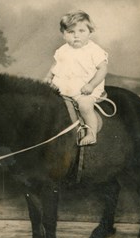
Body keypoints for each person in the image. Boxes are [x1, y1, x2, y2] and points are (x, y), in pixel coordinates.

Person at [45, 10, 108, 146]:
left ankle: (91, 133)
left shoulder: (94, 50)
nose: (76, 36)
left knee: (85, 105)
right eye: (71, 32)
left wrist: (91, 85)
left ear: (89, 32)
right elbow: (55, 66)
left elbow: (102, 69)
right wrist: (48, 77)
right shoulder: (62, 50)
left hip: (85, 88)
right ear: (63, 34)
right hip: (64, 86)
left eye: (81, 31)